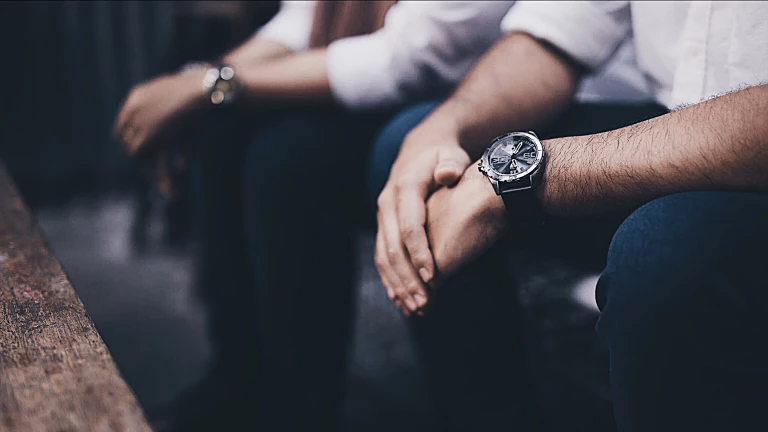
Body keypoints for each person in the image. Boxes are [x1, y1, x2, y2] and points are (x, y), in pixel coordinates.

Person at [115, 1, 524, 430]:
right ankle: (238, 382)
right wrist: (194, 88)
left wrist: (211, 84)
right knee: (222, 133)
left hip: (474, 90)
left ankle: (297, 409)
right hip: (393, 80)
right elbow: (301, 19)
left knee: (289, 156)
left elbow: (405, 59)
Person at [373, 1, 768, 431]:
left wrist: (516, 182)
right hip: (675, 125)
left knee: (662, 252)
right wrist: (441, 128)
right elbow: (555, 34)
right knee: (416, 155)